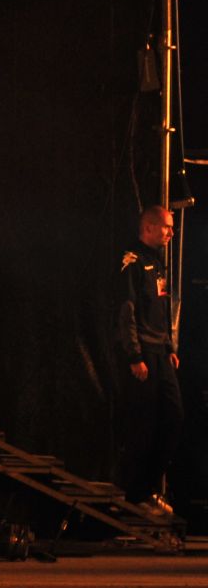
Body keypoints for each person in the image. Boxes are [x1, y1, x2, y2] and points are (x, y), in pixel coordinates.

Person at [117, 204, 182, 515]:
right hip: (142, 354)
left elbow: (163, 308)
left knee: (173, 419)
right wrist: (134, 355)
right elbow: (127, 312)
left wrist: (170, 346)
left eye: (171, 227)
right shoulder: (132, 262)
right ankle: (135, 495)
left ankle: (147, 488)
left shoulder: (159, 264)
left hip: (160, 353)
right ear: (148, 229)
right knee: (143, 426)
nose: (171, 232)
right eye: (166, 227)